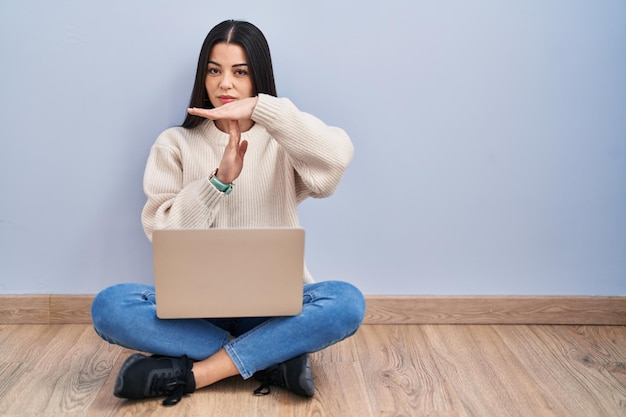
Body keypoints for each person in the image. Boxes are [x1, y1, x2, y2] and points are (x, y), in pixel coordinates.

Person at [90, 19, 365, 406]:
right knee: (109, 307)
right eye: (214, 70)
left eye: (240, 72)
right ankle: (271, 358)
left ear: (259, 80)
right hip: (195, 313)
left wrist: (264, 110)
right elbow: (161, 230)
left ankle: (197, 373)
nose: (225, 84)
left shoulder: (283, 141)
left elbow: (335, 161)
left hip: (271, 310)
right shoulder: (175, 143)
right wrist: (217, 181)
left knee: (347, 302)